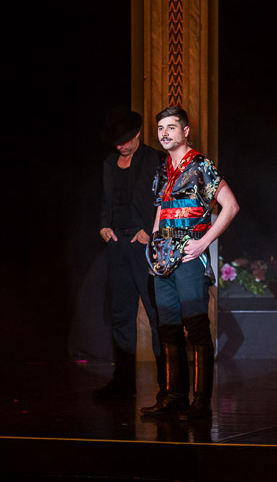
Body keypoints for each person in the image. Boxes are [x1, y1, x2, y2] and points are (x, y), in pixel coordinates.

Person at [141, 105, 239, 420]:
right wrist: (154, 246)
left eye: (171, 127)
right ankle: (175, 397)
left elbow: (230, 206)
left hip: (188, 256)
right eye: (160, 128)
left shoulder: (200, 165)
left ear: (185, 132)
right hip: (162, 259)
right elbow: (161, 209)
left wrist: (203, 242)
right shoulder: (162, 169)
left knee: (195, 326)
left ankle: (201, 402)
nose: (164, 133)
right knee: (168, 329)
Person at [96, 105, 166, 400]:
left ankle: (167, 387)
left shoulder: (155, 159)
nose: (120, 146)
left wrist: (150, 230)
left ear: (137, 134)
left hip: (144, 245)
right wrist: (103, 225)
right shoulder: (110, 162)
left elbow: (166, 200)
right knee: (121, 314)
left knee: (156, 312)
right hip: (118, 245)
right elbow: (106, 199)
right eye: (116, 142)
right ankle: (123, 383)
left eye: (124, 140)